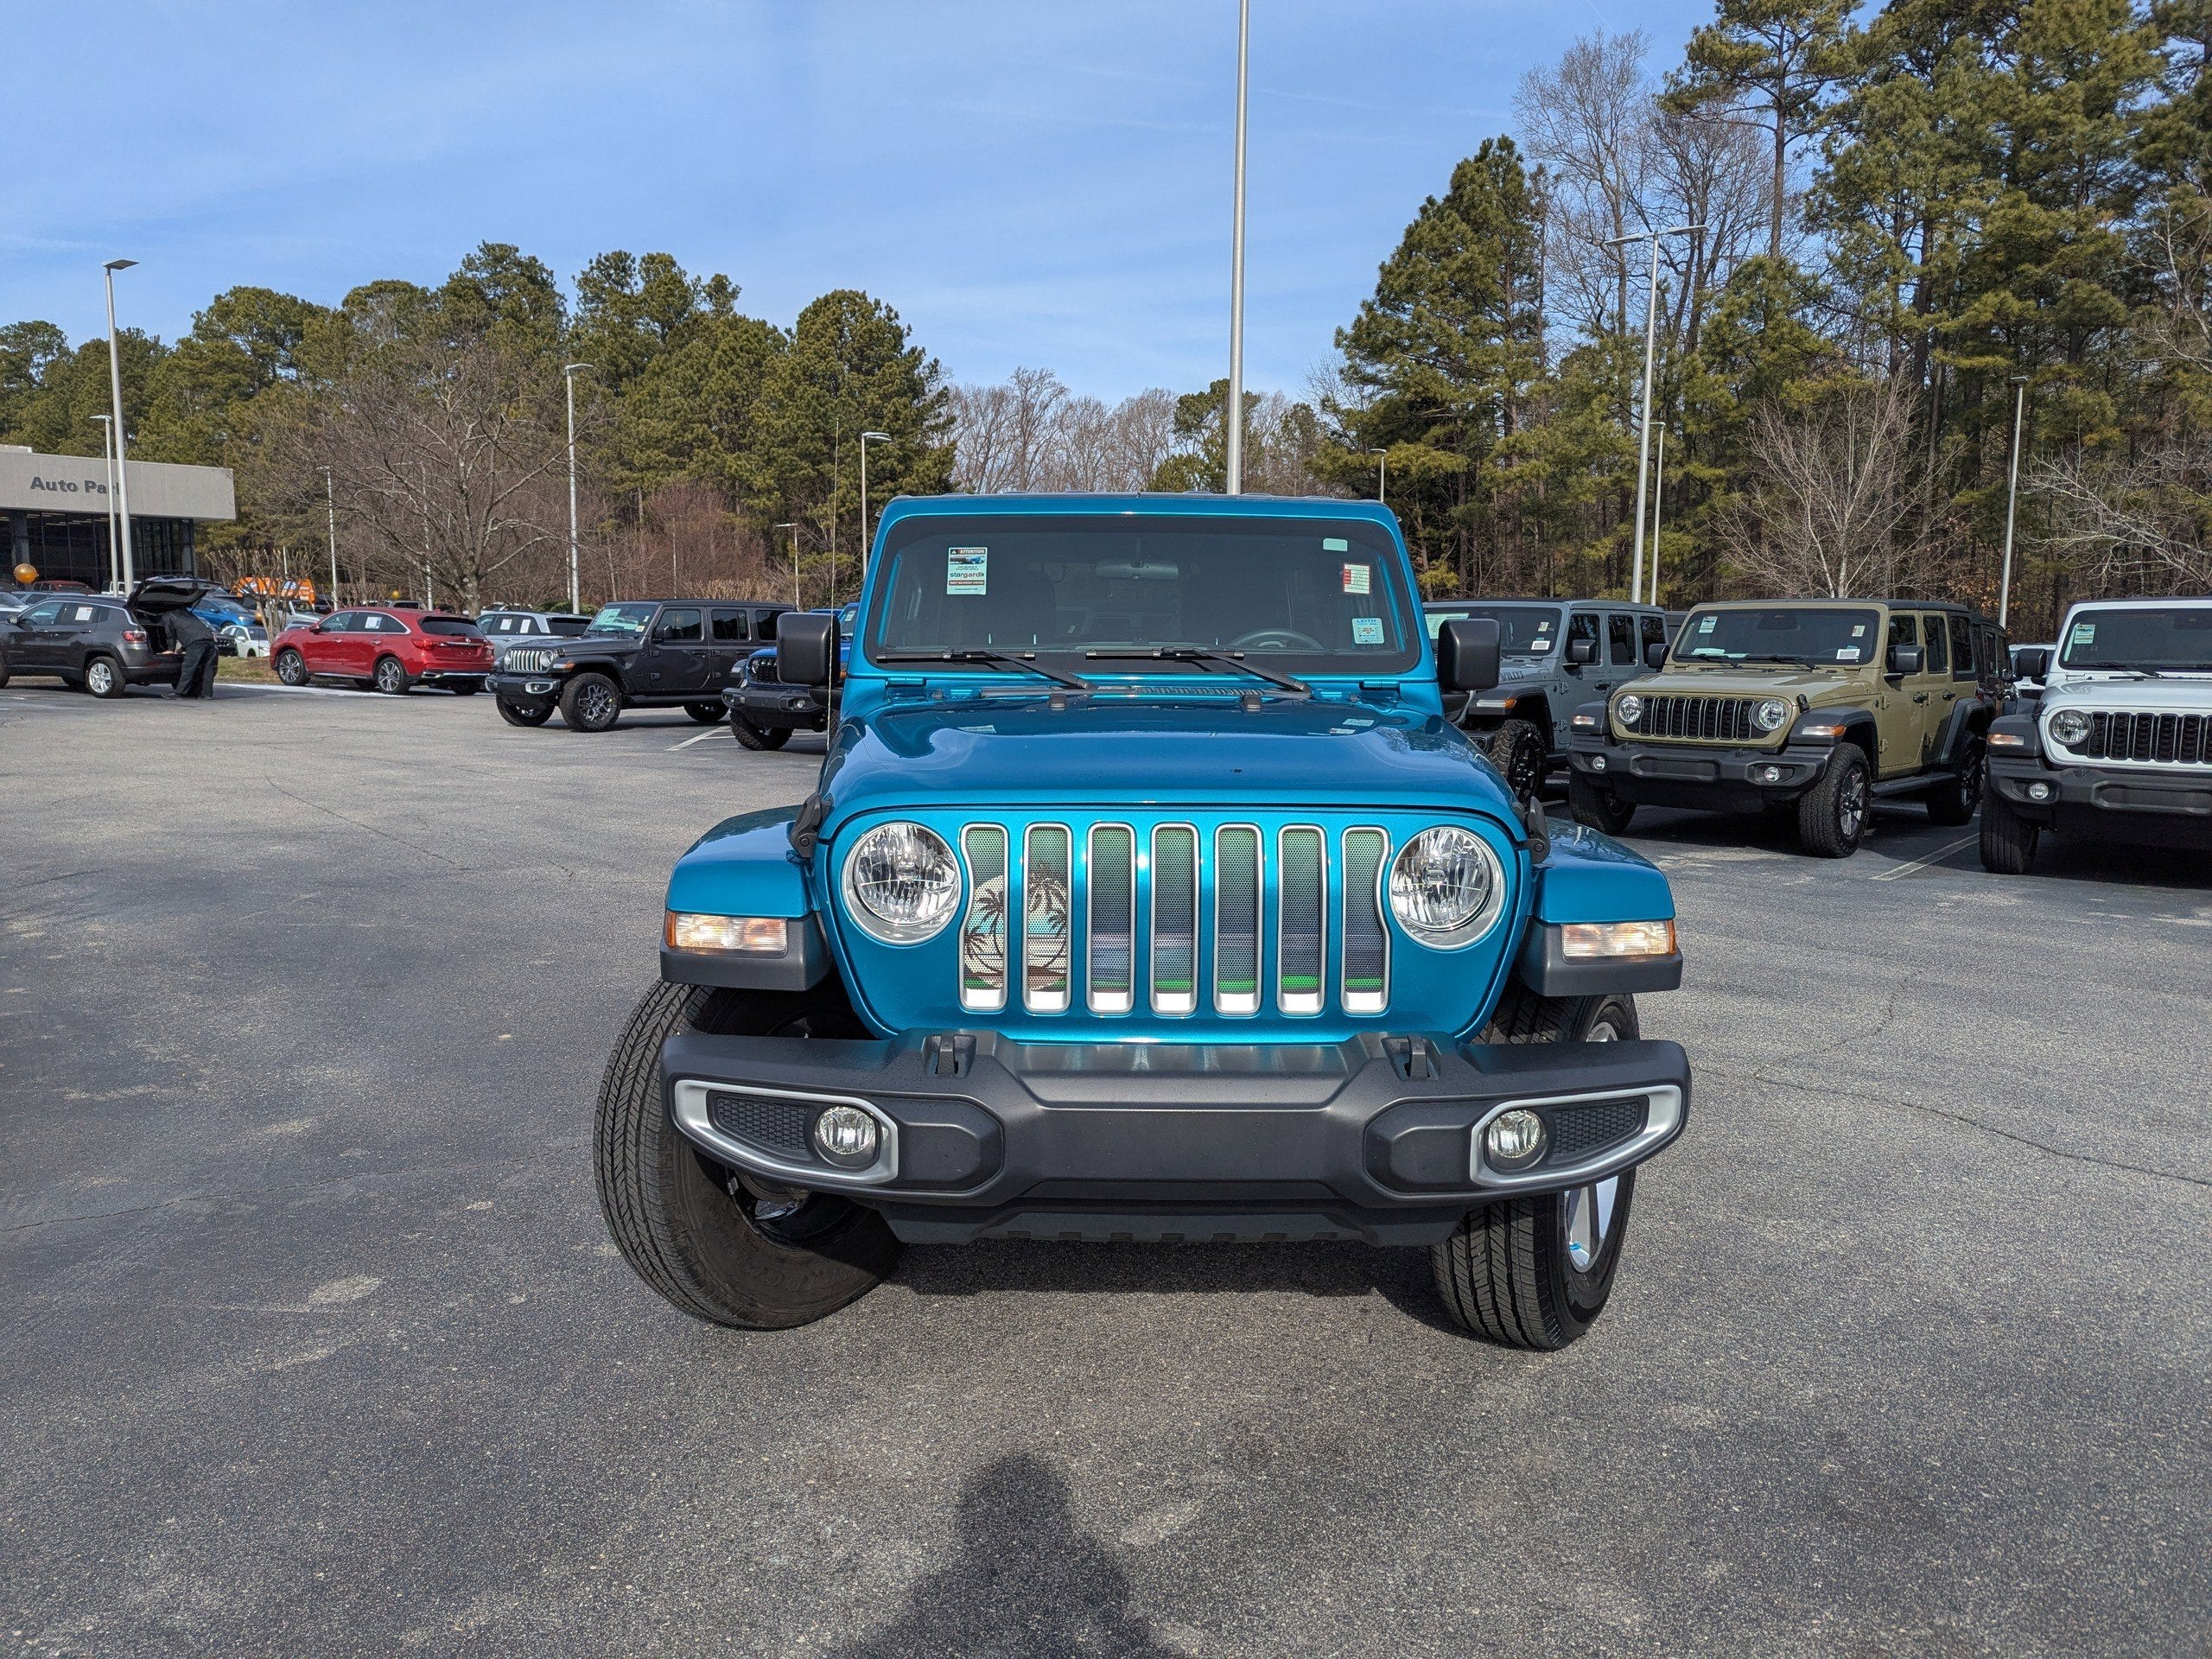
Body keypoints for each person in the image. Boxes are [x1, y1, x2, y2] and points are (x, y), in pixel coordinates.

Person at [170, 603, 219, 699]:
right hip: (210, 642)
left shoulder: (168, 616)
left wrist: (170, 650)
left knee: (189, 667)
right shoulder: (190, 616)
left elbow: (170, 635)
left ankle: (180, 693)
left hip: (197, 644)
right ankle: (207, 694)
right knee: (209, 669)